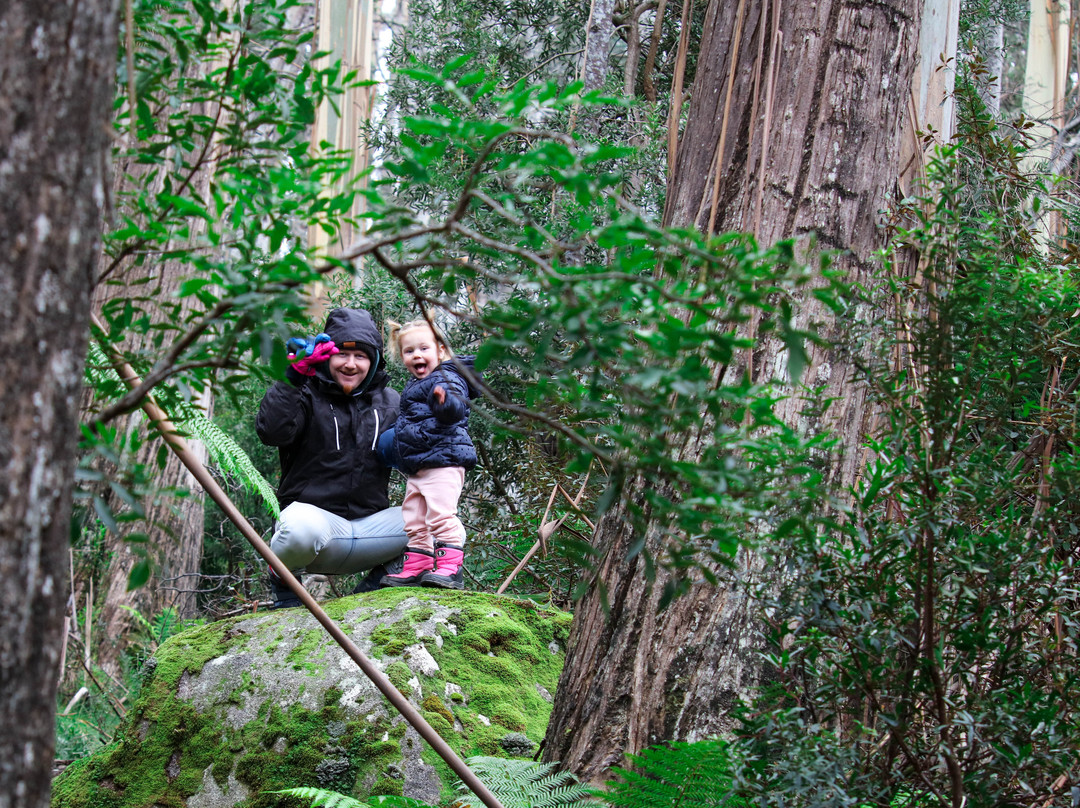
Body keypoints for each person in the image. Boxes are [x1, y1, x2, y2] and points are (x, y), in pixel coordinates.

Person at [256, 307, 408, 608]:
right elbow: (271, 433)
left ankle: (373, 589)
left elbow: (419, 454)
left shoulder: (391, 401)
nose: (350, 364)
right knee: (300, 528)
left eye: (361, 356)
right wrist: (292, 378)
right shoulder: (305, 392)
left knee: (439, 523)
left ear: (374, 360)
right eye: (342, 354)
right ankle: (284, 581)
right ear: (327, 356)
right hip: (314, 531)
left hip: (371, 531)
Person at [379, 319, 477, 590]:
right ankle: (418, 563)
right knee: (414, 516)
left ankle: (450, 566)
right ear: (402, 357)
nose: (417, 355)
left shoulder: (447, 378)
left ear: (441, 351)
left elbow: (456, 409)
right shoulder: (414, 384)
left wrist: (443, 402)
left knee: (441, 514)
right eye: (409, 351)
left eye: (424, 348)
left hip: (444, 461)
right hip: (419, 464)